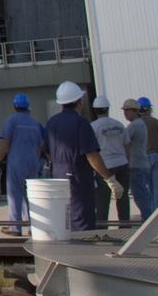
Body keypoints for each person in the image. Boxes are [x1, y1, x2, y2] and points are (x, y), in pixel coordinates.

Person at [45, 81, 123, 232]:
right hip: (77, 178)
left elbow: (46, 150)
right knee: (82, 221)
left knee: (64, 221)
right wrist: (110, 179)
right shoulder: (81, 123)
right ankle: (83, 253)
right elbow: (92, 155)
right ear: (79, 102)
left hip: (57, 177)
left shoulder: (51, 122)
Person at [0, 92, 47, 236]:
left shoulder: (12, 120)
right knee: (30, 195)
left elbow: (5, 142)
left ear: (14, 106)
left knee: (14, 194)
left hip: (17, 160)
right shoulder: (35, 123)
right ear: (28, 106)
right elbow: (41, 145)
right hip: (33, 161)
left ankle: (15, 227)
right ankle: (33, 226)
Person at [89, 97, 131, 223]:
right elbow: (127, 144)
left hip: (105, 166)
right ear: (108, 109)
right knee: (122, 197)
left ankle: (102, 228)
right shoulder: (118, 124)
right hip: (122, 163)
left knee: (103, 198)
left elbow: (91, 150)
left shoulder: (93, 126)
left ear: (95, 110)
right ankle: (125, 224)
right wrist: (127, 161)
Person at [122, 98, 153, 219]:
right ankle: (149, 219)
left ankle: (148, 221)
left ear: (134, 111)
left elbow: (123, 142)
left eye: (127, 110)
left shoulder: (134, 125)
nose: (125, 113)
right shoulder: (141, 123)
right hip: (142, 164)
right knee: (144, 195)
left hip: (136, 165)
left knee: (140, 196)